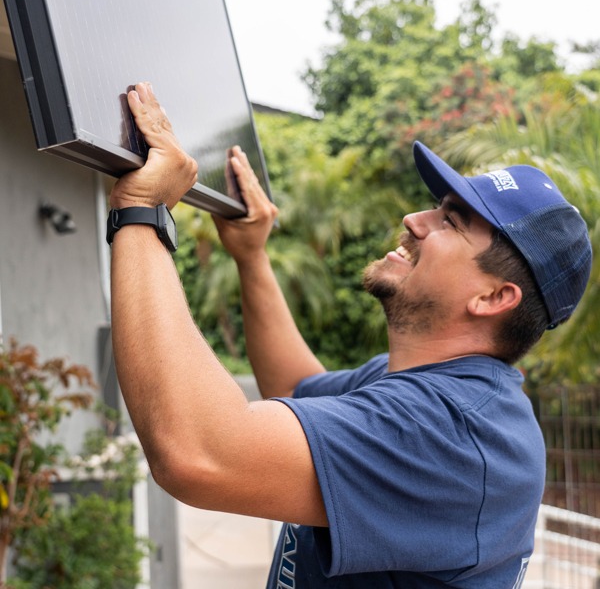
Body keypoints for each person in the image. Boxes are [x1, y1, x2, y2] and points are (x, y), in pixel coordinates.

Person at [108, 82, 592, 588]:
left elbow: (199, 453)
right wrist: (251, 257)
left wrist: (140, 209)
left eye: (450, 221)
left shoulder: (449, 434)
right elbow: (293, 386)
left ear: (494, 298)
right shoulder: (426, 387)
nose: (414, 219)